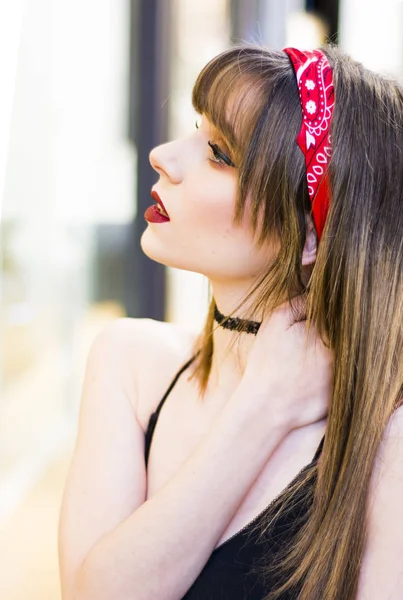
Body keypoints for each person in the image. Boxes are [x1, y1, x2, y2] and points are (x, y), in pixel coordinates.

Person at [58, 44, 403, 600]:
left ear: (312, 234)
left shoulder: (383, 444)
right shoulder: (130, 361)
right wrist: (262, 408)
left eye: (218, 153)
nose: (164, 156)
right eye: (194, 130)